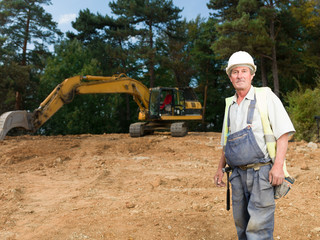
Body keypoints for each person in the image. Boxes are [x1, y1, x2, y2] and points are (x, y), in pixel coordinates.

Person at [214, 51, 295, 240]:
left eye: (244, 71)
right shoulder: (230, 105)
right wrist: (219, 168)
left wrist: (278, 166)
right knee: (242, 227)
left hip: (262, 174)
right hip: (237, 175)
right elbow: (227, 143)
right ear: (230, 76)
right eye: (235, 72)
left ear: (251, 75)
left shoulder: (265, 96)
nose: (239, 75)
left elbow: (283, 133)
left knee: (258, 230)